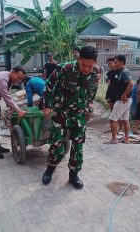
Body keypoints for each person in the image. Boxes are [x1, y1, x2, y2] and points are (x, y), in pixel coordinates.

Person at [41, 45, 100, 189]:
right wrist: (47, 106)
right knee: (57, 146)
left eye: (90, 65)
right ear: (78, 59)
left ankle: (74, 175)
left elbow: (92, 90)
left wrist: (90, 105)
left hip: (79, 115)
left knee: (78, 147)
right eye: (83, 65)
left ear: (95, 62)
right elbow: (48, 85)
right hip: (60, 114)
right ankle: (50, 169)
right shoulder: (65, 69)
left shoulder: (96, 72)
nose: (86, 69)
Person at [104, 55, 134, 144]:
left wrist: (124, 95)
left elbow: (131, 84)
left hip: (123, 100)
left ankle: (114, 139)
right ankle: (126, 139)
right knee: (125, 120)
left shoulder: (124, 72)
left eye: (116, 62)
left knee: (113, 119)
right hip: (127, 100)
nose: (114, 64)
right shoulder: (121, 72)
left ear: (121, 62)